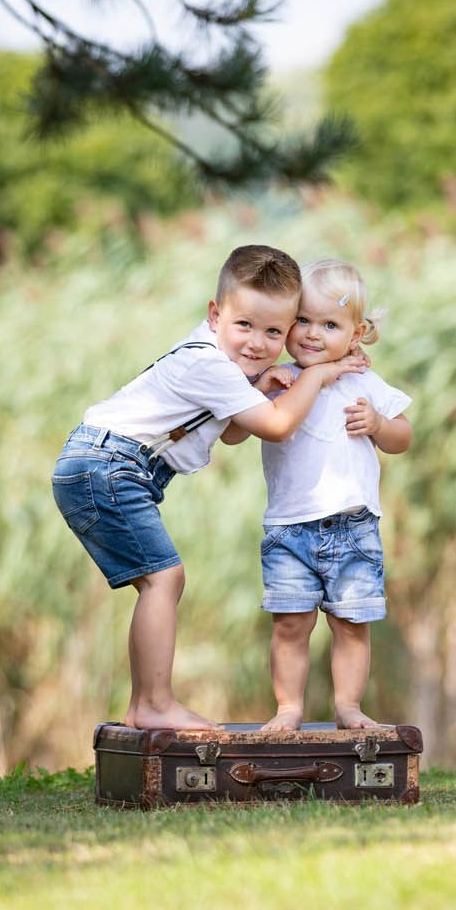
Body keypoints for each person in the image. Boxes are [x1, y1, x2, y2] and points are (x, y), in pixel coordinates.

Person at [51, 245, 367, 732]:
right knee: (164, 580)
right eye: (245, 325)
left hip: (102, 464)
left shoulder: (221, 364)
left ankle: (146, 703)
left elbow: (238, 430)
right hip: (108, 464)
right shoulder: (208, 365)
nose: (258, 344)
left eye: (274, 332)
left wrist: (262, 390)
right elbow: (279, 427)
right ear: (215, 313)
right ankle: (152, 704)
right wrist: (319, 374)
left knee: (160, 581)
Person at [222, 258, 413, 731]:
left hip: (353, 527)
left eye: (329, 324)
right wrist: (261, 388)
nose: (311, 333)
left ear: (357, 335)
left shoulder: (365, 382)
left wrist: (380, 425)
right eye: (302, 320)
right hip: (290, 527)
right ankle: (288, 708)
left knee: (351, 624)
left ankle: (348, 706)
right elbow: (231, 435)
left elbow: (404, 436)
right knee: (290, 625)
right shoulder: (281, 382)